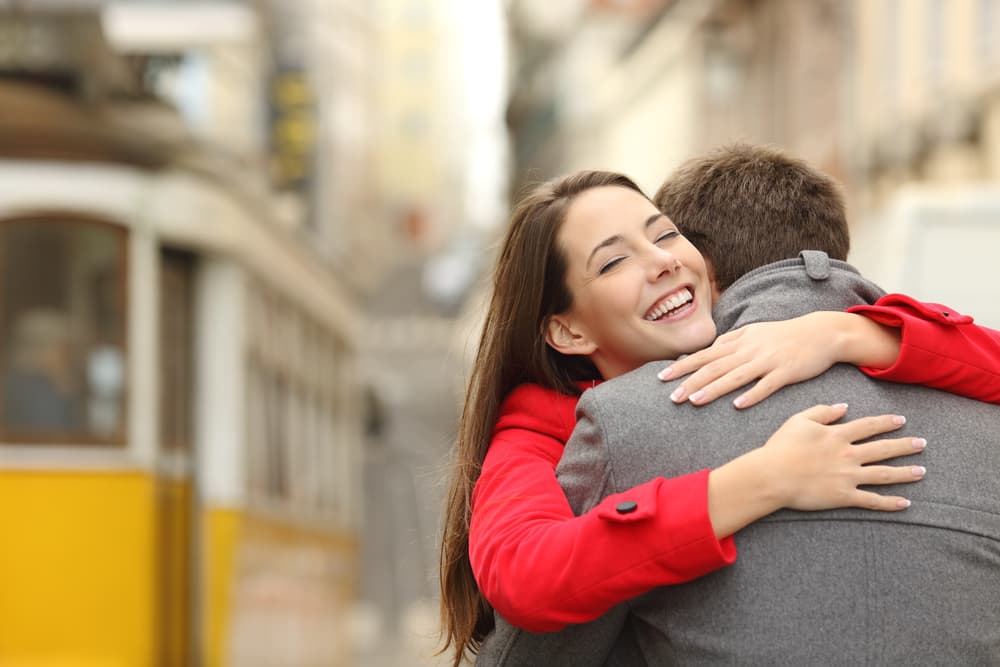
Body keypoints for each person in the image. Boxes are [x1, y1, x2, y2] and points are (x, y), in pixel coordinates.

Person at [439, 166, 1000, 666]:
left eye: (664, 235)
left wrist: (847, 332)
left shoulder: (805, 347)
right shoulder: (536, 429)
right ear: (568, 329)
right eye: (613, 261)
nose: (661, 261)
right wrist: (761, 480)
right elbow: (526, 575)